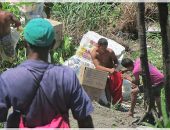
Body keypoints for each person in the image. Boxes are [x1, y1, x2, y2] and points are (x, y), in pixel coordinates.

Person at [0, 18, 94, 128]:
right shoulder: (67, 76)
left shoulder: (9, 78)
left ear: (25, 43)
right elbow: (84, 119)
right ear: (53, 44)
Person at [91, 38, 127, 111]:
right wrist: (108, 70)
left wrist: (114, 67)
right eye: (102, 48)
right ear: (98, 46)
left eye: (105, 48)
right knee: (106, 83)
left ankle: (117, 102)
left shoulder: (110, 52)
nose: (104, 50)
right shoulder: (94, 53)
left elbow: (116, 61)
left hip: (112, 70)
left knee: (118, 81)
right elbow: (97, 66)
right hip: (102, 70)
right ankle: (109, 102)